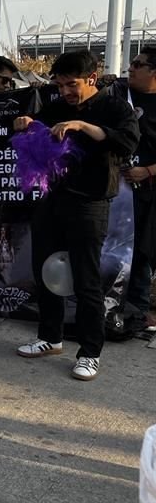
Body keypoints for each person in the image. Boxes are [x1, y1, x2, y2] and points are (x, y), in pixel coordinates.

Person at [13, 50, 139, 381]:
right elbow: (37, 132)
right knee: (45, 272)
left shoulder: (114, 108)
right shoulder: (56, 106)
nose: (66, 92)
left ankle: (89, 352)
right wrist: (28, 124)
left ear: (91, 79)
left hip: (90, 204)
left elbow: (126, 142)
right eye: (60, 85)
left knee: (85, 281)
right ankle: (50, 337)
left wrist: (83, 125)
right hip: (52, 201)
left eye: (72, 85)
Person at [111, 45, 156, 331]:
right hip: (115, 189)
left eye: (138, 64)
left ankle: (137, 312)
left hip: (147, 192)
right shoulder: (116, 97)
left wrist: (148, 171)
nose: (131, 68)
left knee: (142, 251)